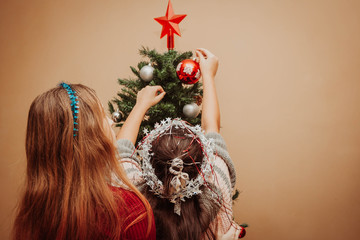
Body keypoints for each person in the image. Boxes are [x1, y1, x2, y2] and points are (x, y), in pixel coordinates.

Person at [116, 48, 243, 239]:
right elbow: (212, 129)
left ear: (150, 165)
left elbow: (122, 151)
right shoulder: (217, 188)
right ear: (202, 161)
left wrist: (140, 104)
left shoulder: (135, 196)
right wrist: (208, 75)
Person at [12, 83, 156, 240]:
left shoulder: (36, 212)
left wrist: (141, 106)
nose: (111, 122)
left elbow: (122, 151)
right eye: (102, 116)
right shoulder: (130, 211)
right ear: (89, 139)